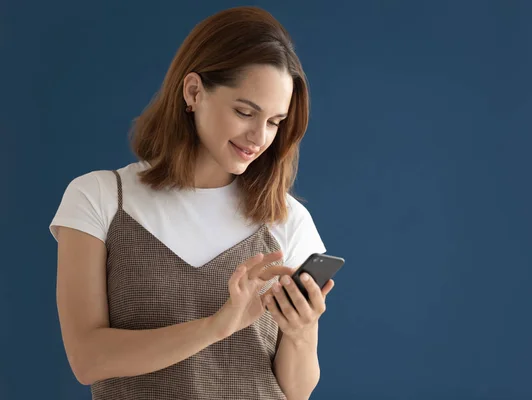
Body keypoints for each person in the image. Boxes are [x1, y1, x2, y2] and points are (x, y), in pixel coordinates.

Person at [49, 6, 335, 400]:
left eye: (274, 121)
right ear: (194, 92)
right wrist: (217, 326)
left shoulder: (288, 221)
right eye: (244, 111)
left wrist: (301, 333)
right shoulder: (99, 199)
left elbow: (297, 391)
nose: (259, 136)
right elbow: (88, 359)